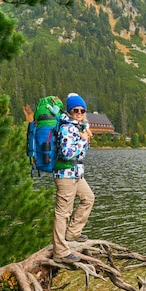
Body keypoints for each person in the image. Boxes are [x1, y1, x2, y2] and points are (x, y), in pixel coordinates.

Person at [52, 93, 95, 262]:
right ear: (70, 110)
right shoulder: (67, 128)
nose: (79, 112)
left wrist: (84, 137)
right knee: (63, 213)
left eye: (82, 110)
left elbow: (80, 153)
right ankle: (60, 252)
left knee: (88, 198)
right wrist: (83, 140)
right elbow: (66, 153)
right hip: (65, 175)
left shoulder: (77, 127)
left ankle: (73, 233)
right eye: (75, 109)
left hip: (76, 173)